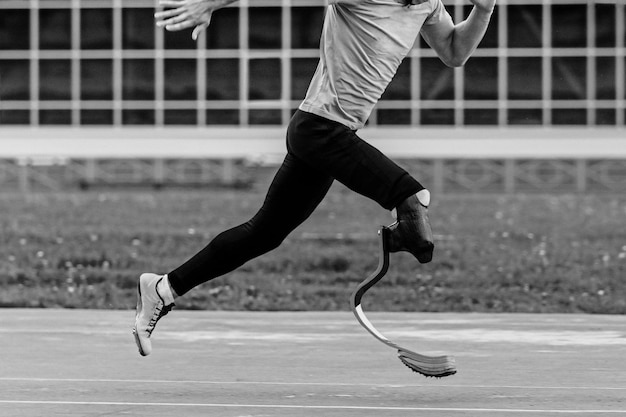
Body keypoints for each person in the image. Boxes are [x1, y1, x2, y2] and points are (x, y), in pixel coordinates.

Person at [133, 0, 496, 356]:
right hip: (320, 130)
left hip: (330, 135)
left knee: (264, 233)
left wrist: (484, 9)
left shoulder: (428, 5)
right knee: (411, 198)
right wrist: (210, 4)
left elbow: (454, 51)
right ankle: (402, 228)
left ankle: (162, 289)